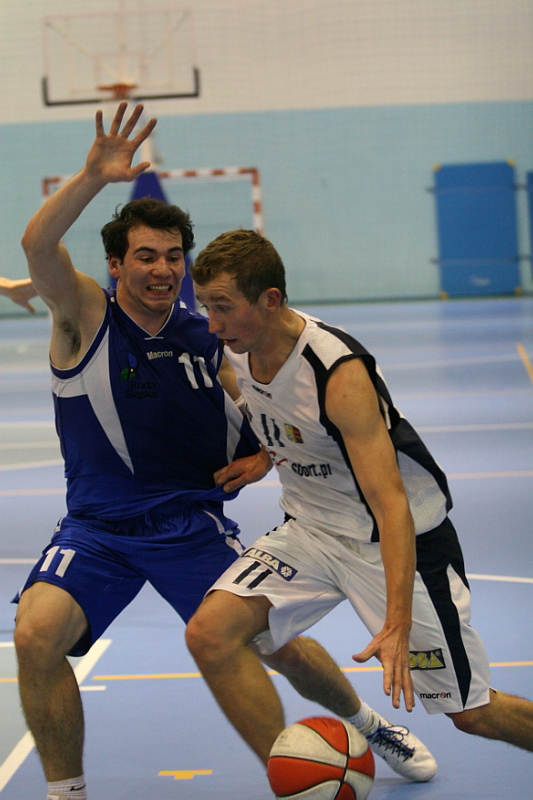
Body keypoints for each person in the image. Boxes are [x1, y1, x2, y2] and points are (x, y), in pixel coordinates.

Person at [13, 104, 436, 800]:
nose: (162, 269)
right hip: (97, 527)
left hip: (187, 523)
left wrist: (266, 458)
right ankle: (67, 793)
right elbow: (38, 245)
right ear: (115, 264)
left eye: (172, 257)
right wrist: (93, 177)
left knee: (276, 646)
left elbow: (266, 414)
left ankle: (366, 724)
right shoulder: (84, 314)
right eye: (145, 256)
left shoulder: (207, 333)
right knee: (35, 636)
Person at [187, 228, 533, 776]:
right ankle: (319, 759)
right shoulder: (242, 349)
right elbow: (288, 422)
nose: (212, 324)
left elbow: (390, 503)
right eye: (207, 306)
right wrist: (267, 457)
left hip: (393, 540)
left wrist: (395, 621)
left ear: (270, 299)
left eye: (223, 307)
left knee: (473, 713)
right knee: (210, 635)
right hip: (311, 531)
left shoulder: (336, 371)